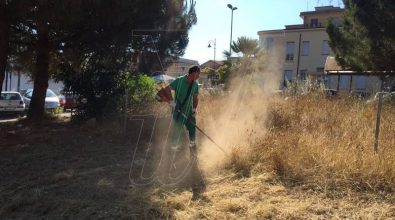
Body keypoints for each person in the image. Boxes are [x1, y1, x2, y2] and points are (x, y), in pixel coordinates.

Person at [159, 65, 206, 199]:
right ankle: (172, 158)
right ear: (193, 73)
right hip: (178, 113)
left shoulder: (195, 85)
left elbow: (195, 98)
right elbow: (164, 91)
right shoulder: (178, 81)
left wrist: (194, 109)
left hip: (189, 114)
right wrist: (171, 102)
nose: (199, 76)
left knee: (192, 135)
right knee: (176, 135)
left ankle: (193, 155)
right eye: (198, 73)